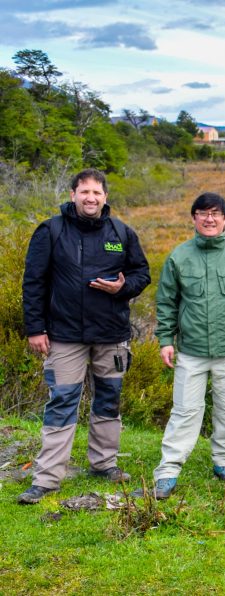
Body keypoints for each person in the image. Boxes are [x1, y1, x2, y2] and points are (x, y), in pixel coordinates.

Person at [19, 168, 151, 504]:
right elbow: (33, 282)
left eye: (97, 192)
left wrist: (124, 287)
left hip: (111, 334)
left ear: (106, 197)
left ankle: (104, 463)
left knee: (109, 399)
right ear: (73, 194)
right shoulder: (51, 230)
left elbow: (142, 273)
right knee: (62, 402)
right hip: (64, 335)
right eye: (84, 192)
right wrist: (35, 328)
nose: (90, 198)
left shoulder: (121, 232)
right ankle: (47, 478)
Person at [137, 192, 225, 499]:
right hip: (191, 350)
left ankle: (224, 462)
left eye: (215, 213)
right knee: (184, 410)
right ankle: (168, 471)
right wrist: (165, 341)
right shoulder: (178, 257)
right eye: (203, 213)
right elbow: (166, 302)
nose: (209, 219)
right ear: (193, 217)